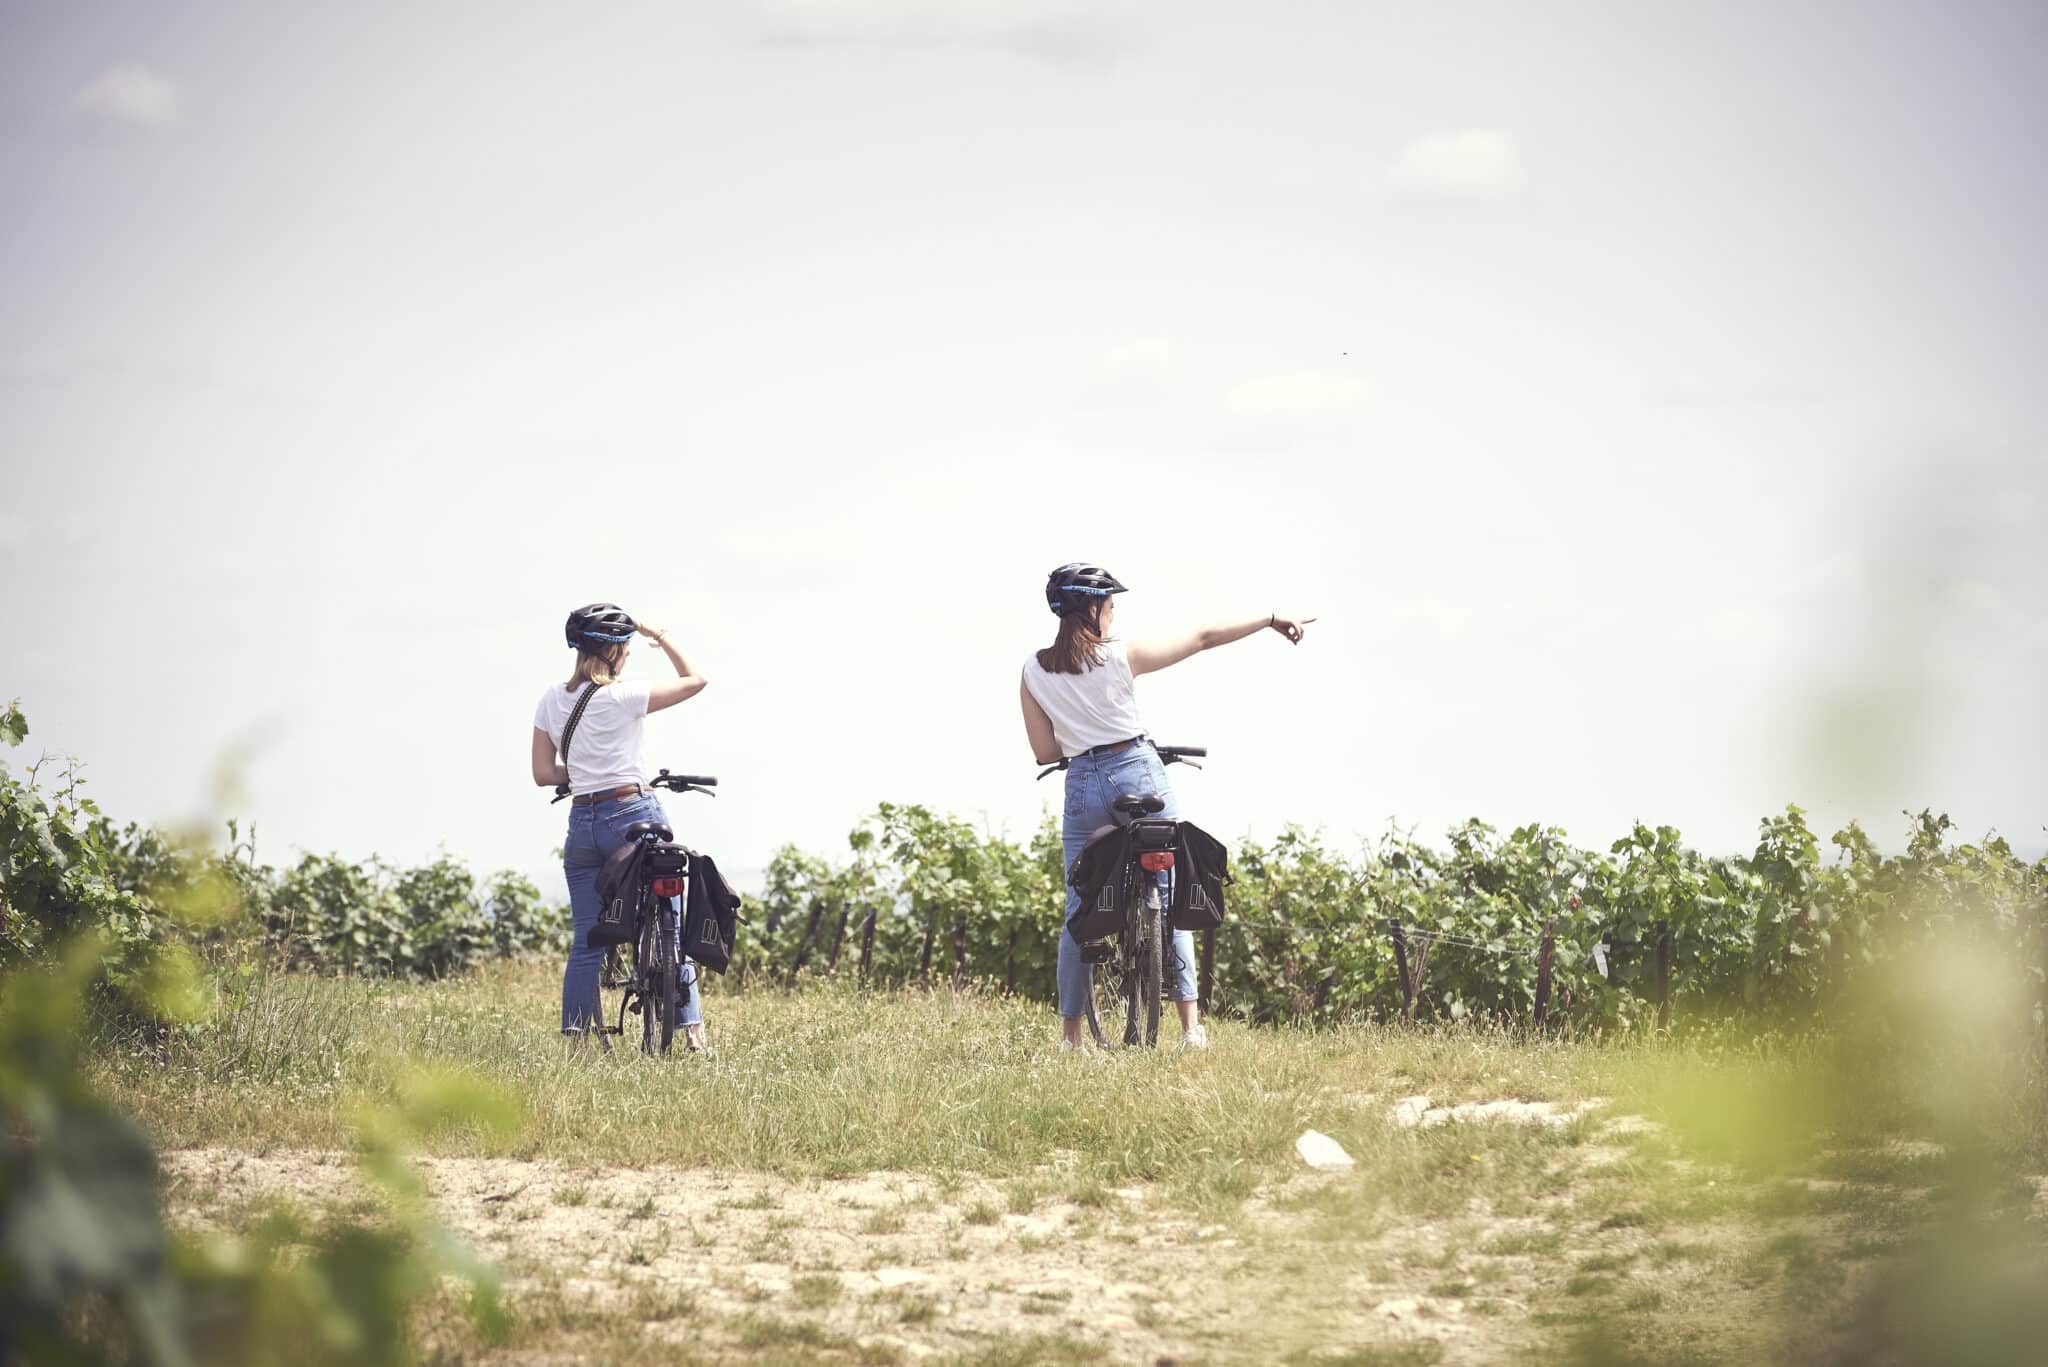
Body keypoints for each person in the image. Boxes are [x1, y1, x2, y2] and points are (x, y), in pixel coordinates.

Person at [1020, 564, 1311, 1051]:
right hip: (1138, 768)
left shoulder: (1034, 670)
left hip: (1083, 786)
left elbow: (1045, 752)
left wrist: (1080, 732)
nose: (1113, 615)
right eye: (1110, 606)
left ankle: (1072, 1038)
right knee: (1171, 896)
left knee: (1080, 906)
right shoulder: (1119, 655)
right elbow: (1202, 637)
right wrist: (1269, 619)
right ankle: (1191, 1030)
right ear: (1091, 610)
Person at [532, 603, 710, 1048]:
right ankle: (693, 1035)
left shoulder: (551, 699)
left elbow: (544, 773)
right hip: (633, 815)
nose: (628, 656)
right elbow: (696, 679)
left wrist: (587, 771)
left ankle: (575, 1043)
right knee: (669, 923)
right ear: (612, 653)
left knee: (587, 938)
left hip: (583, 825)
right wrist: (660, 635)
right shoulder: (623, 696)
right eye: (627, 649)